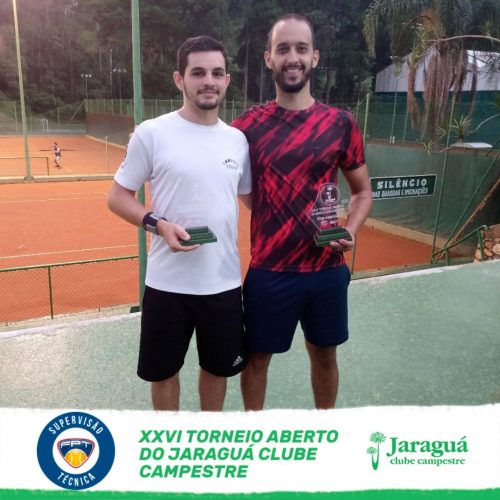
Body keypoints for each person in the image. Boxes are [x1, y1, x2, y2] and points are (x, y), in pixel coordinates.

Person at [232, 14, 373, 410]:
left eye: (300, 48)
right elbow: (207, 154)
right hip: (269, 272)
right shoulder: (246, 127)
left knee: (325, 356)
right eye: (282, 49)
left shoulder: (341, 123)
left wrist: (351, 229)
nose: (291, 57)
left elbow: (363, 192)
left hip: (326, 272)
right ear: (268, 58)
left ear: (314, 57)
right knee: (257, 359)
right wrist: (154, 141)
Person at [107, 35, 252, 411]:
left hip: (222, 284)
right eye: (198, 72)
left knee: (217, 371)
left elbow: (254, 200)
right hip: (166, 285)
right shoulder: (152, 133)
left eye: (217, 73)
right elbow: (118, 197)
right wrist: (156, 224)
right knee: (163, 374)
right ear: (179, 79)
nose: (208, 81)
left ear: (227, 80)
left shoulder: (237, 141)